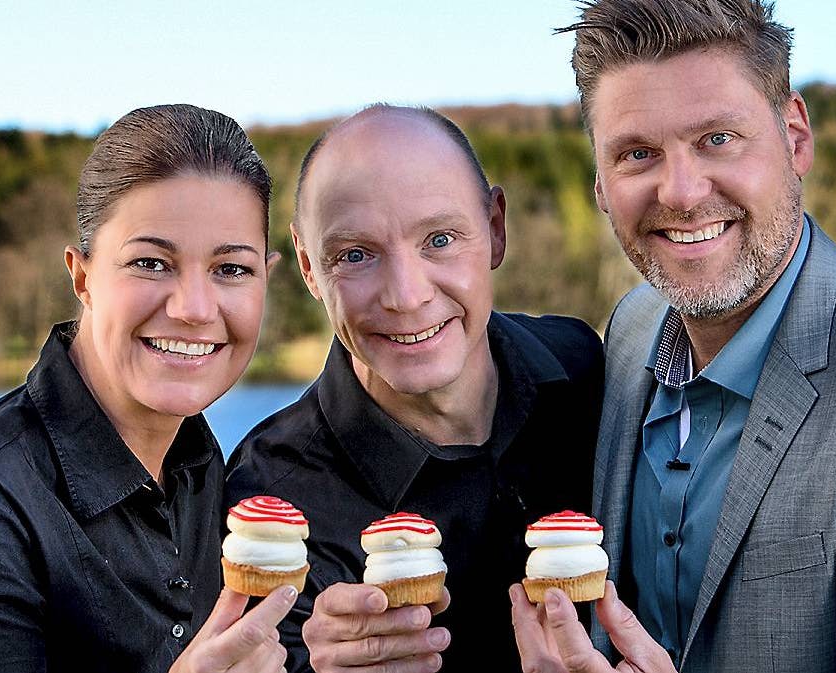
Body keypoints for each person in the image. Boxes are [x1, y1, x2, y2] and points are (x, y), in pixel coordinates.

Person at [509, 1, 836, 672]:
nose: (682, 192)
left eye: (717, 139)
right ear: (600, 185)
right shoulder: (633, 328)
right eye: (637, 154)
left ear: (795, 137)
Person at [0, 104, 297, 673]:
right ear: (82, 277)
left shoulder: (198, 467)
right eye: (151, 263)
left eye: (231, 269)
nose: (195, 308)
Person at [225, 104, 604, 673]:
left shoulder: (584, 369)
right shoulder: (268, 503)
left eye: (440, 239)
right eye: (355, 255)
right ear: (308, 267)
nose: (405, 296)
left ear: (495, 229)